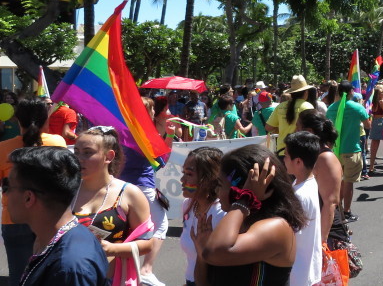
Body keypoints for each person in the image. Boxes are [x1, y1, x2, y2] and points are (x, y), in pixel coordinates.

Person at [0, 98, 67, 286]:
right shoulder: (58, 142)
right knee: (51, 275)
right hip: (50, 218)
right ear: (46, 120)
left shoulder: (3, 148)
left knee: (19, 277)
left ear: (17, 120)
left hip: (15, 219)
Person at [193, 145, 307, 285]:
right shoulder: (236, 223)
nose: (217, 191)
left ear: (242, 188)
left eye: (220, 184)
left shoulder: (276, 226)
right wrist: (201, 254)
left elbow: (214, 252)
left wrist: (245, 199)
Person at [5, 146, 108, 285]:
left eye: (8, 186)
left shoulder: (68, 267)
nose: (5, 195)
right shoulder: (63, 240)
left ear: (28, 198)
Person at [72, 127, 154, 281]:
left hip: (111, 279)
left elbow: (147, 243)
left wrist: (112, 248)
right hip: (69, 277)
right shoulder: (67, 191)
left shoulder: (129, 194)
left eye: (87, 152)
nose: (79, 158)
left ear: (108, 156)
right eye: (76, 152)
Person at [124, 98, 170, 286]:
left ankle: (128, 272)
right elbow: (160, 162)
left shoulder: (122, 131)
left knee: (129, 230)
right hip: (143, 186)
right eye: (151, 110)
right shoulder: (145, 134)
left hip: (123, 186)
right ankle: (146, 270)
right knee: (160, 225)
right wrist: (169, 137)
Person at [325, 81, 371, 222]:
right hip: (352, 149)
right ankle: (347, 211)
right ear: (351, 91)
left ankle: (336, 210)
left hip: (335, 151)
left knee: (339, 182)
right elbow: (368, 124)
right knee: (348, 182)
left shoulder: (331, 108)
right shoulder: (357, 107)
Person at [296, 109, 344, 244]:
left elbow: (330, 202)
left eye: (297, 127)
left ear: (309, 132)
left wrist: (322, 241)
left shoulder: (325, 158)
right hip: (311, 227)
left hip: (326, 232)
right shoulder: (312, 155)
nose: (294, 131)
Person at [180, 147, 225, 286]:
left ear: (208, 179)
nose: (182, 179)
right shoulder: (187, 205)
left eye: (189, 174)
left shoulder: (221, 213)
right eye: (183, 172)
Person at [283, 132, 322, 286]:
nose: (284, 159)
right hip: (305, 267)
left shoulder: (300, 195)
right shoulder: (307, 183)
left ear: (298, 161)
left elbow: (288, 233)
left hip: (297, 272)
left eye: (286, 155)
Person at [266, 75, 316, 157]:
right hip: (300, 153)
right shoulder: (307, 106)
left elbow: (268, 127)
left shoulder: (280, 106)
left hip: (282, 152)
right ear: (306, 92)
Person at [368, 85, 383, 172]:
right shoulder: (381, 101)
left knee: (374, 145)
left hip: (374, 121)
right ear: (378, 94)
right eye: (381, 92)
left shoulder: (373, 101)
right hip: (381, 122)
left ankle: (371, 166)